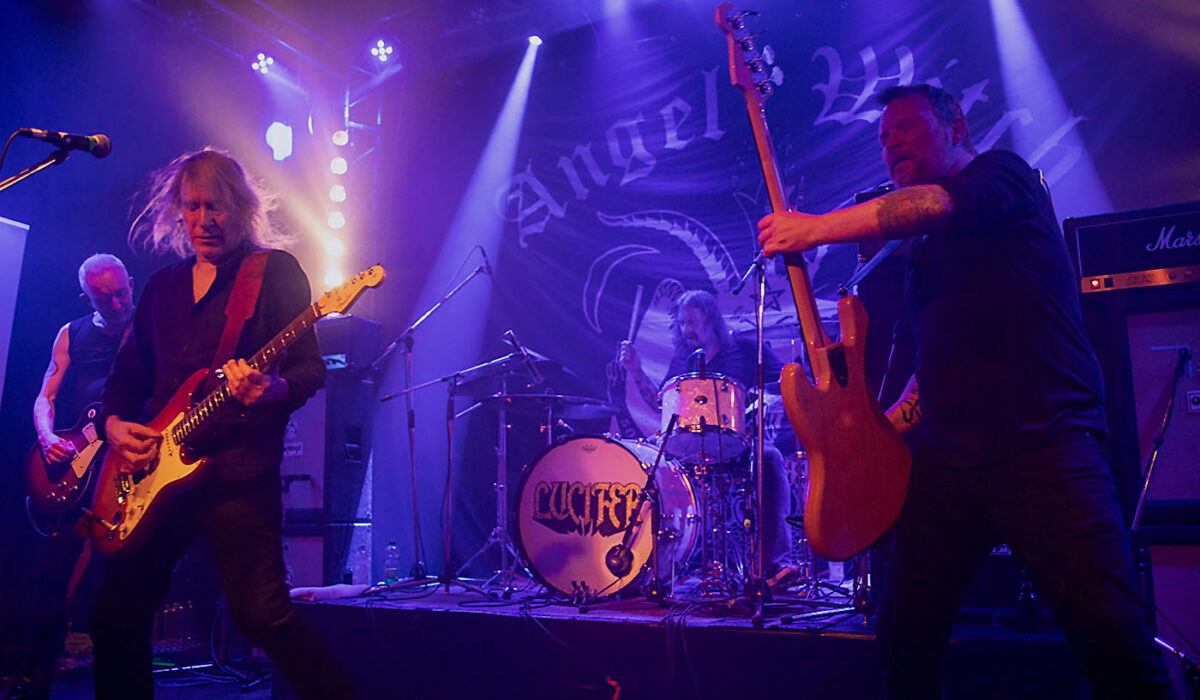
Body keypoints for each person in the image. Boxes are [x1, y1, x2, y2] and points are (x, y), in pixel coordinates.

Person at [757, 84, 1175, 698]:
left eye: (905, 127)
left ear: (956, 127)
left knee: (1115, 643)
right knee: (906, 640)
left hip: (1044, 445)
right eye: (883, 137)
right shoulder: (926, 256)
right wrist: (876, 433)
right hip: (950, 459)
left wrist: (813, 230)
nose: (890, 142)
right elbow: (935, 369)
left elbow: (931, 203)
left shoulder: (1004, 177)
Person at [90, 148, 353, 699]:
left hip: (237, 473)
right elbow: (127, 378)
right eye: (192, 207)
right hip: (154, 474)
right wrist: (113, 426)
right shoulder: (162, 287)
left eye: (216, 206)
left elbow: (309, 369)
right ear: (177, 211)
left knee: (262, 615)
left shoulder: (273, 272)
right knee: (116, 613)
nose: (204, 220)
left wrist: (272, 389)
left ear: (243, 207)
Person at [7, 255, 134, 700]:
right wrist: (47, 438)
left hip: (126, 462)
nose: (116, 304)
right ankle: (34, 677)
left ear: (130, 283)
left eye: (121, 293)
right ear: (87, 298)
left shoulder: (149, 328)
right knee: (54, 576)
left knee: (118, 579)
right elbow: (46, 395)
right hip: (80, 460)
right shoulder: (72, 334)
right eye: (104, 298)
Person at [617, 289, 795, 587]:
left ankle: (776, 564)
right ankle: (652, 563)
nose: (687, 329)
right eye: (682, 323)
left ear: (711, 321)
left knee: (770, 457)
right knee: (649, 461)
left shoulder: (746, 349)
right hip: (689, 445)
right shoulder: (684, 359)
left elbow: (785, 380)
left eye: (692, 323)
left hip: (738, 442)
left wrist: (762, 397)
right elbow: (661, 403)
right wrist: (636, 371)